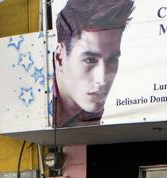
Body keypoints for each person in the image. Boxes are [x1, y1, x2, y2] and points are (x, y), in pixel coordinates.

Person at [53, 0, 134, 128]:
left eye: (112, 60)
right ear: (59, 57)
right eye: (89, 60)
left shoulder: (95, 108)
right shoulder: (37, 106)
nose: (101, 79)